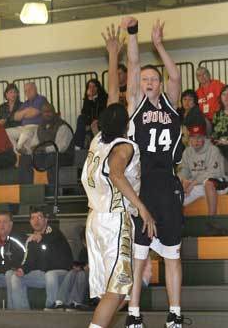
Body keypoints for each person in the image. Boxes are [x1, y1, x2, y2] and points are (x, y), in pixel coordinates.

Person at [82, 25, 156, 328]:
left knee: (110, 293)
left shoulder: (98, 138)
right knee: (118, 289)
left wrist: (113, 53)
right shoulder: (123, 145)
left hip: (94, 220)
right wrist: (141, 206)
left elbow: (112, 91)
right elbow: (115, 173)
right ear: (126, 123)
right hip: (114, 220)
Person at [123, 17, 184, 328]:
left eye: (153, 79)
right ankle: (134, 314)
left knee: (173, 254)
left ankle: (174, 313)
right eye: (144, 79)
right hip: (143, 184)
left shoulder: (171, 103)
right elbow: (133, 65)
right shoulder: (136, 103)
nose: (148, 82)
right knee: (140, 255)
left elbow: (175, 75)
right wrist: (133, 34)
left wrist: (159, 45)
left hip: (168, 184)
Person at [11, 206, 73, 310]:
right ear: (30, 221)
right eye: (33, 218)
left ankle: (52, 308)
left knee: (50, 274)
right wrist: (22, 269)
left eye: (39, 217)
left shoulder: (54, 231)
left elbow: (52, 236)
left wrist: (42, 237)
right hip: (43, 275)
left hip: (62, 274)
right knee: (15, 277)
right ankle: (22, 312)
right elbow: (29, 261)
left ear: (46, 220)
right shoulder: (31, 240)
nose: (36, 221)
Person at [18, 103, 74, 190]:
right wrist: (26, 151)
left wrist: (44, 149)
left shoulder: (62, 126)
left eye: (49, 111)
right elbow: (35, 145)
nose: (47, 114)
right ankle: (27, 191)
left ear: (55, 113)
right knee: (24, 159)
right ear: (41, 114)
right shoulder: (40, 127)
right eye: (44, 112)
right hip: (45, 156)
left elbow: (60, 148)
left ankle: (53, 191)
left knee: (52, 157)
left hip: (64, 157)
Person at [181, 125, 228, 215]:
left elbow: (213, 173)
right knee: (176, 193)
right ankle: (178, 223)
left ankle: (212, 220)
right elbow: (184, 171)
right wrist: (184, 182)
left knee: (208, 183)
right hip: (197, 185)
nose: (196, 141)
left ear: (204, 138)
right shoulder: (187, 152)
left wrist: (193, 183)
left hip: (219, 183)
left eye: (199, 137)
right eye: (193, 137)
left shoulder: (213, 150)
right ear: (189, 139)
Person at [47, 226, 89, 311]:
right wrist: (79, 267)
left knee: (81, 274)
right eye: (84, 242)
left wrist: (86, 268)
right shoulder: (83, 251)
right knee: (72, 272)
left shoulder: (99, 251)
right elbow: (82, 264)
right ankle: (60, 302)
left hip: (95, 277)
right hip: (84, 272)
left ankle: (75, 303)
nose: (86, 244)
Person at [6, 82, 48, 152]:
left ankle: (19, 148)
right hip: (23, 127)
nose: (27, 92)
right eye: (25, 91)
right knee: (6, 132)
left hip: (36, 126)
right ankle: (17, 151)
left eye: (30, 89)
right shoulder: (25, 103)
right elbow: (16, 117)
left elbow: (34, 113)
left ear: (35, 89)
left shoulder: (41, 99)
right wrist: (27, 111)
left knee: (26, 132)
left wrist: (23, 113)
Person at [75, 79, 108, 149]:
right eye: (90, 87)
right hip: (90, 121)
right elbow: (84, 112)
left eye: (94, 86)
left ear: (98, 87)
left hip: (100, 120)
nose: (92, 89)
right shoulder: (87, 99)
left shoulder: (104, 97)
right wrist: (89, 100)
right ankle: (77, 145)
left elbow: (102, 111)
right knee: (81, 118)